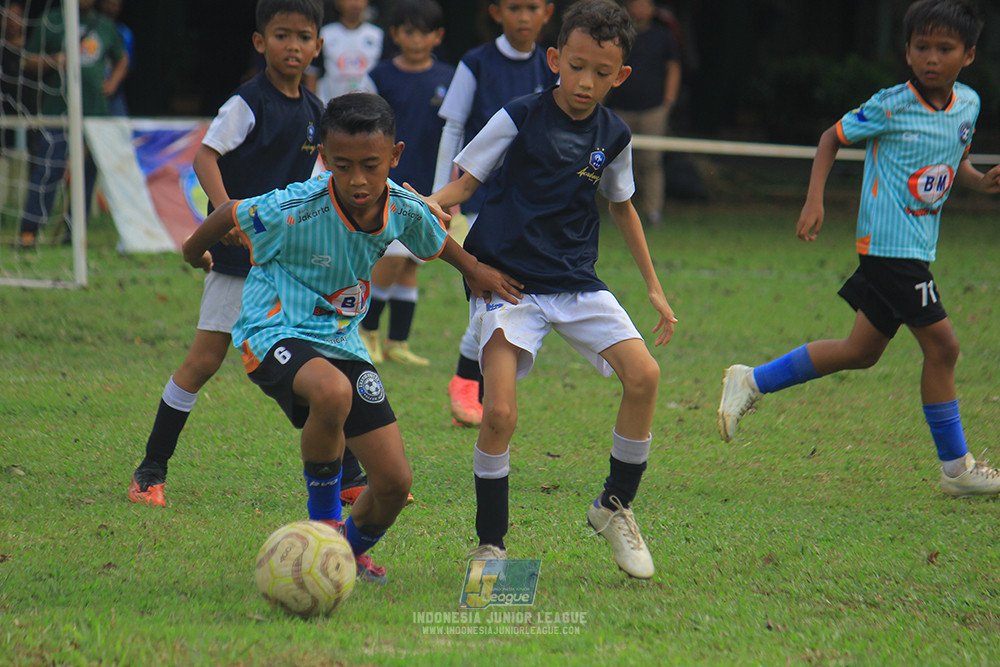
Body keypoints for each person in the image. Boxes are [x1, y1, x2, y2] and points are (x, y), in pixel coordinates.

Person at [180, 92, 522, 582]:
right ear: (323, 157)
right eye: (343, 166)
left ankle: (342, 554)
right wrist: (195, 254)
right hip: (273, 328)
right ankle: (322, 527)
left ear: (395, 156)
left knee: (394, 483)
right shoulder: (295, 207)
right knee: (332, 392)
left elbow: (434, 237)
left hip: (342, 339)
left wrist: (475, 269)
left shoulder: (401, 207)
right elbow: (228, 213)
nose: (358, 179)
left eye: (370, 166)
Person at [426, 0, 676, 579]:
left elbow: (623, 207)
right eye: (577, 66)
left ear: (621, 76)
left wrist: (654, 288)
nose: (586, 82)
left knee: (645, 376)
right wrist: (430, 204)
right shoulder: (518, 115)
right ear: (555, 58)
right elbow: (463, 184)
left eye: (602, 73)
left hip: (574, 281)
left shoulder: (615, 135)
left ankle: (614, 506)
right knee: (499, 413)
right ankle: (491, 548)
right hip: (508, 283)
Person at [718, 0, 1000, 498]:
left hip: (916, 247)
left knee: (861, 352)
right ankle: (957, 468)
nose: (932, 58)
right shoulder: (891, 104)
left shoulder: (968, 105)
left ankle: (751, 380)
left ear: (969, 55)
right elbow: (831, 138)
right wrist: (814, 200)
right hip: (889, 249)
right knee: (945, 348)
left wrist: (980, 181)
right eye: (922, 47)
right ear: (907, 51)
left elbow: (954, 160)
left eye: (945, 48)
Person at [128, 0, 349, 506]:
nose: (292, 46)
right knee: (204, 361)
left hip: (286, 264)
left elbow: (324, 182)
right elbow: (205, 156)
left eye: (303, 37)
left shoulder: (316, 112)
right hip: (237, 262)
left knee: (318, 363)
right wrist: (227, 212)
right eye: (281, 35)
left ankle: (352, 476)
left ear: (318, 46)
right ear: (259, 42)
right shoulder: (248, 103)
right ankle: (149, 472)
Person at [433, 0, 557, 428]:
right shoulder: (476, 62)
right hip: (479, 200)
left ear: (548, 12)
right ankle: (471, 387)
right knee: (492, 296)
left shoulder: (554, 66)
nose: (523, 16)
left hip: (529, 205)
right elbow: (453, 127)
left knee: (510, 299)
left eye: (532, 7)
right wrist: (439, 197)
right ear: (495, 11)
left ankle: (474, 390)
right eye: (514, 7)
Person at [360, 0, 454, 367]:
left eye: (424, 32)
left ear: (438, 36)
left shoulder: (450, 78)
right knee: (393, 256)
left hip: (431, 184)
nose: (417, 39)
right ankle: (365, 330)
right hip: (389, 183)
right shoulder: (379, 77)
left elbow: (458, 131)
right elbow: (363, 125)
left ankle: (397, 341)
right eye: (409, 32)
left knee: (413, 260)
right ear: (395, 35)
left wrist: (452, 186)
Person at [16, 0, 127, 249]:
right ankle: (29, 230)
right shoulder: (52, 21)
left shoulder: (104, 25)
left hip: (95, 115)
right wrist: (53, 60)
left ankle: (75, 233)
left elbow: (122, 59)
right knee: (49, 170)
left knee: (86, 176)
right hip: (59, 112)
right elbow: (27, 60)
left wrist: (113, 83)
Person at [607, 0, 681, 226]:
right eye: (635, 4)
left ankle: (653, 211)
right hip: (620, 109)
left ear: (652, 8)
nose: (640, 9)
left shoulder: (663, 36)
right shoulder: (618, 36)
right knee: (616, 162)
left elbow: (673, 67)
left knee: (651, 162)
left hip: (653, 110)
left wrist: (668, 102)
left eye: (644, 4)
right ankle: (617, 210)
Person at [306, 0, 382, 102]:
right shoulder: (325, 34)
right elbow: (313, 72)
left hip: (370, 106)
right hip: (330, 105)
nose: (355, 4)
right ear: (338, 3)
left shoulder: (378, 35)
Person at [98, 0, 133, 117]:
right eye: (110, 4)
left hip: (114, 93)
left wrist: (112, 83)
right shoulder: (93, 29)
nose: (112, 8)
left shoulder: (123, 32)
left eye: (116, 5)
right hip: (91, 88)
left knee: (120, 124)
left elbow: (126, 65)